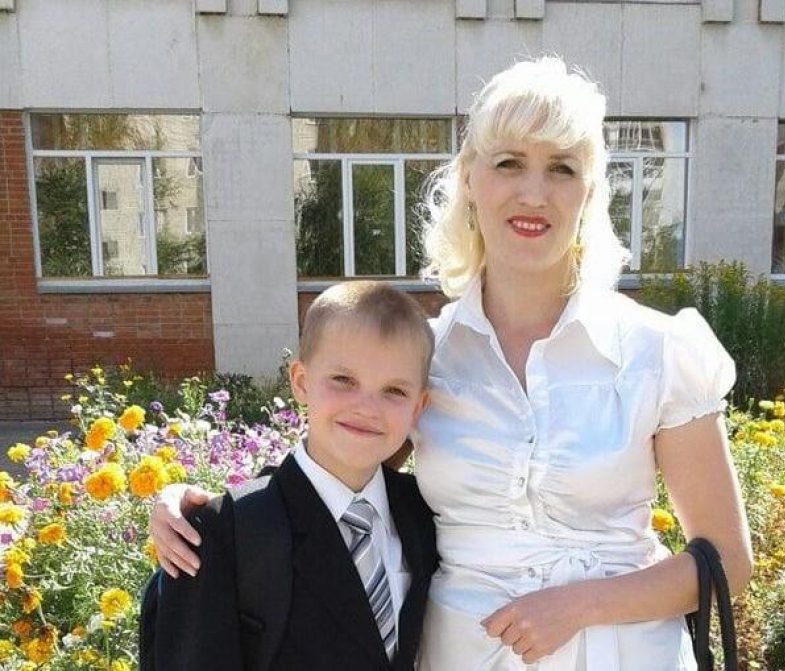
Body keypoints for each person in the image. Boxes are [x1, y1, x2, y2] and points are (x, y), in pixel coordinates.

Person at [150, 57, 752, 670]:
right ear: (469, 178)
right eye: (509, 163)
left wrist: (577, 606)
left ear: (590, 191)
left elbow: (729, 560)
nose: (534, 193)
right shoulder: (425, 357)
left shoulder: (657, 351)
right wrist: (211, 515)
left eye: (562, 168)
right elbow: (334, 473)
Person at [150, 281, 438, 670]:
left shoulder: (424, 513)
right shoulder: (225, 532)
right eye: (344, 380)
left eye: (394, 391)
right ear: (301, 381)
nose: (367, 407)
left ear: (418, 406)